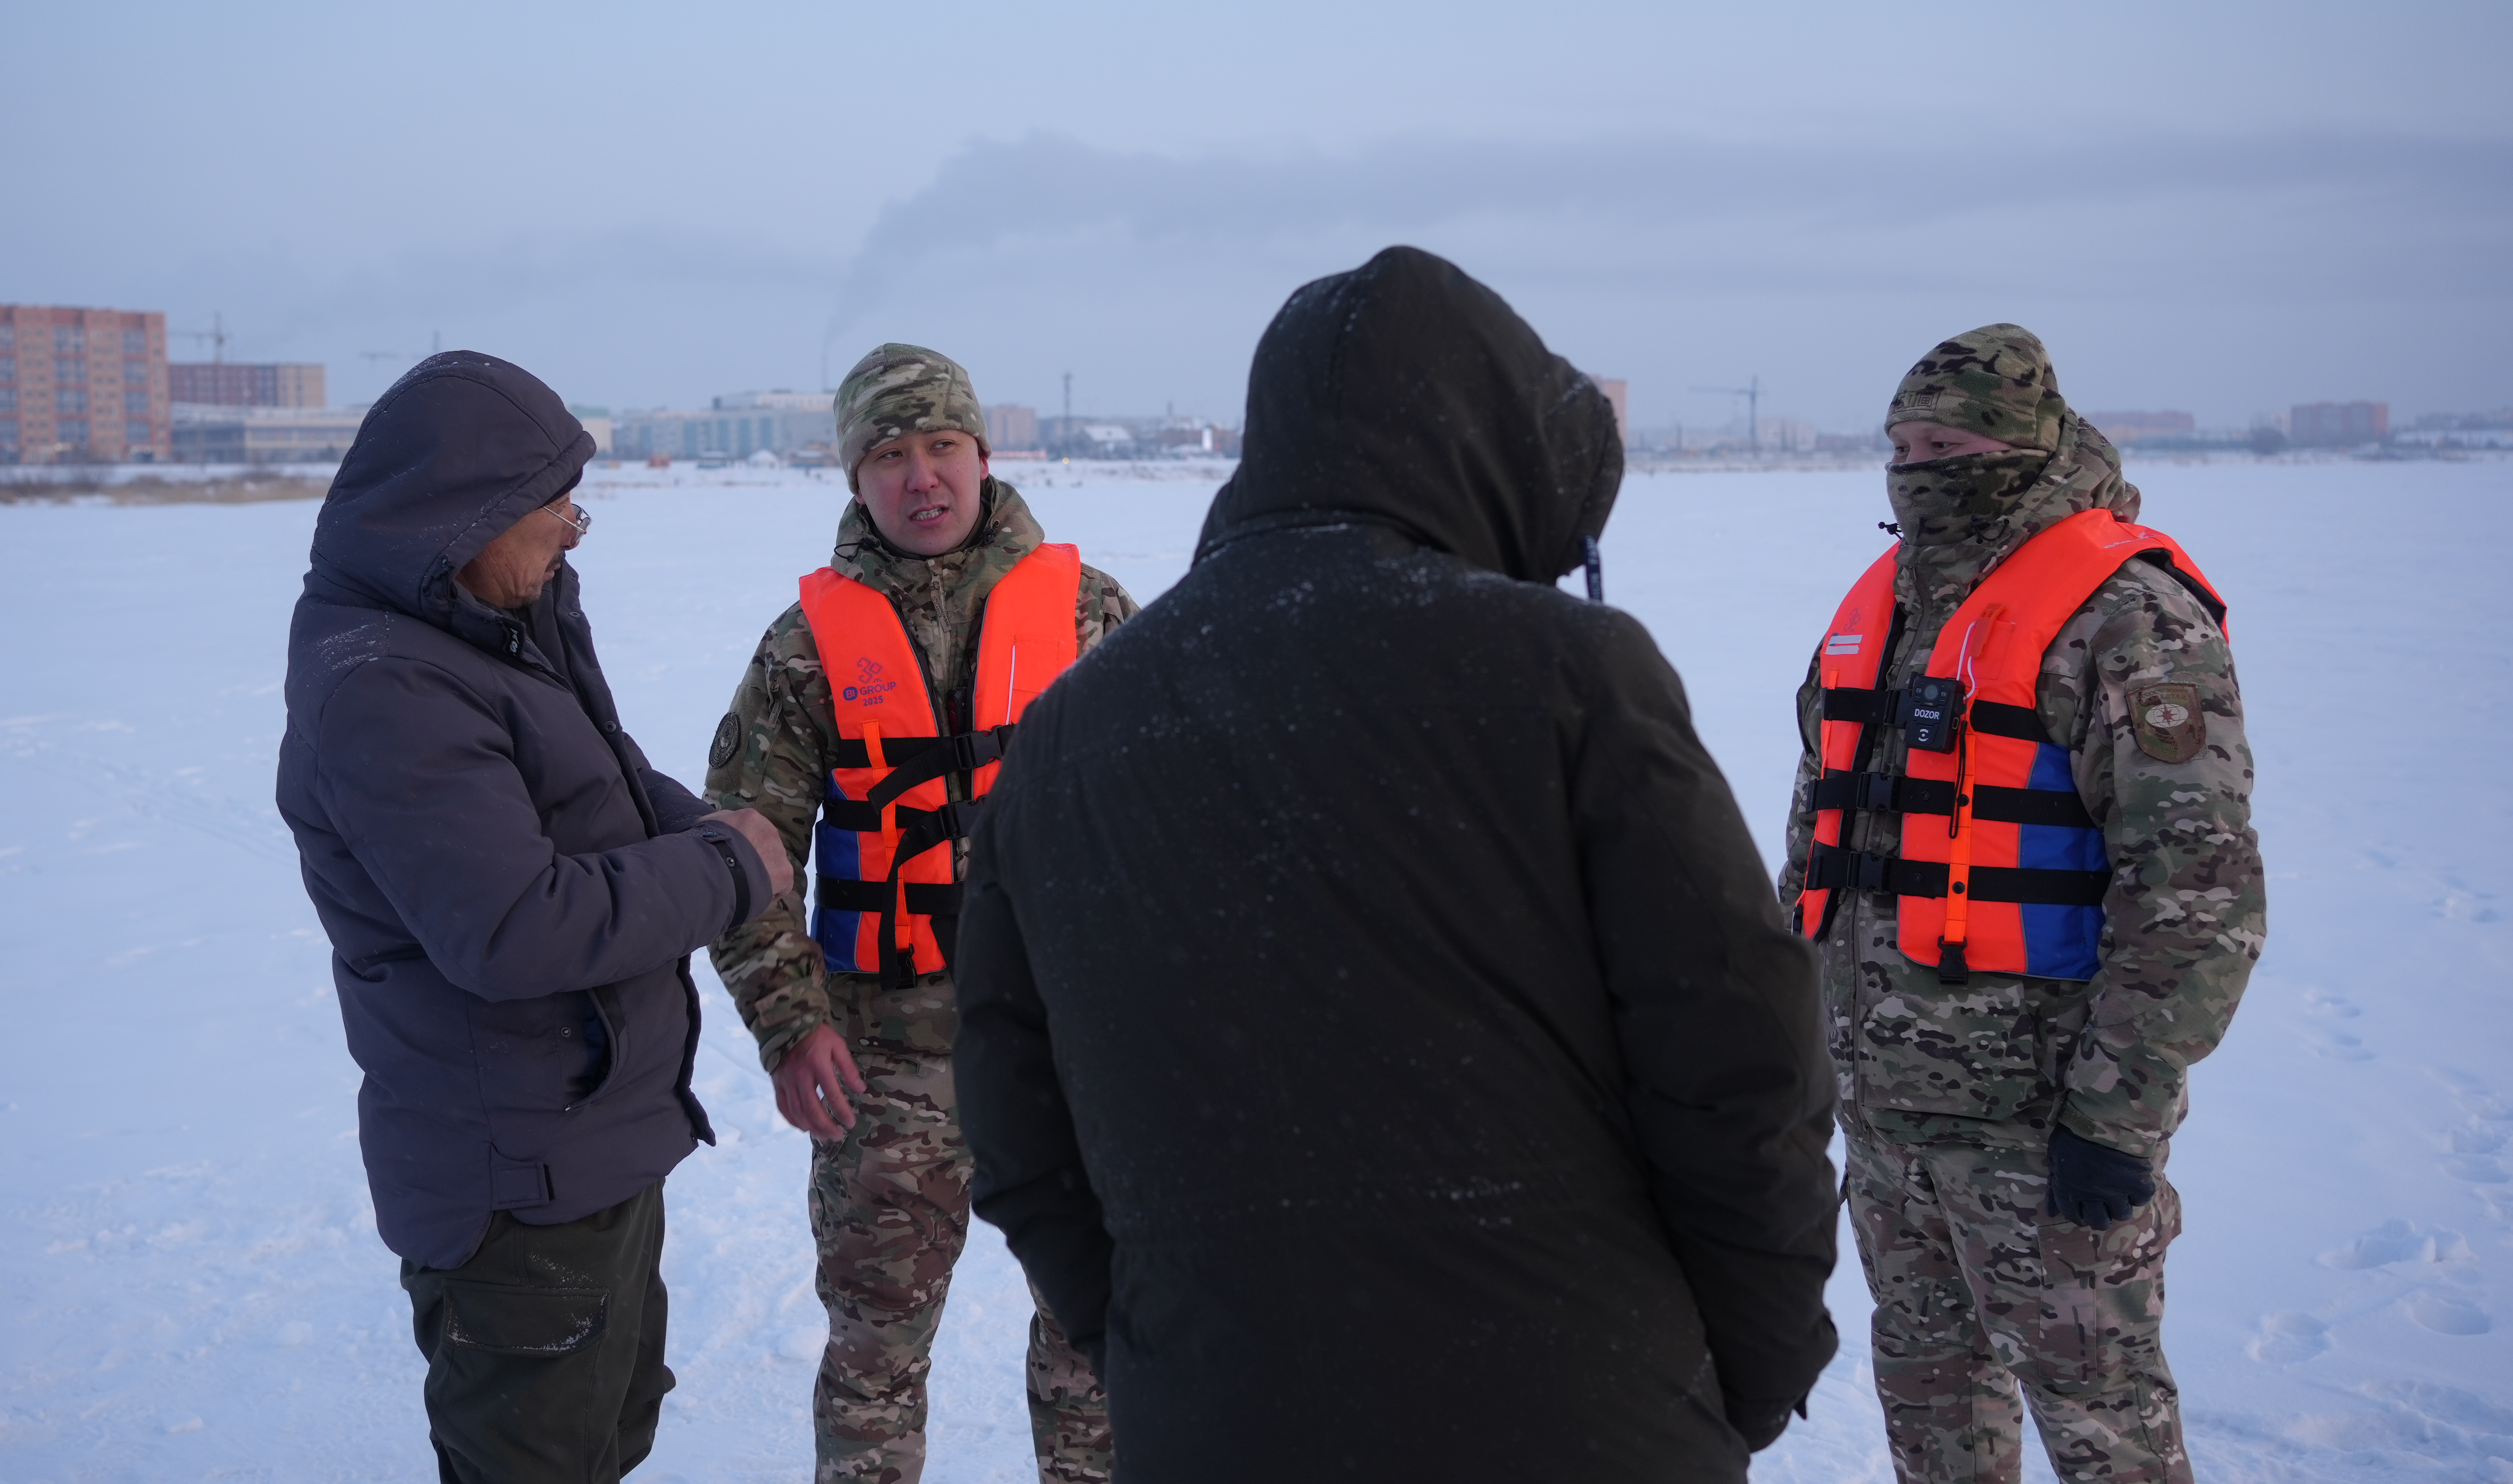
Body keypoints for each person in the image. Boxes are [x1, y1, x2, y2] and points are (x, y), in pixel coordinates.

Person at [952, 246, 1841, 1482]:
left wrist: (1158, 1352)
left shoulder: (1067, 736)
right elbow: (1742, 1063)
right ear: (1489, 452)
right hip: (1583, 1418)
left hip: (1219, 1422)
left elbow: (1015, 1124)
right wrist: (1749, 1364)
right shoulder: (1567, 675)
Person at [277, 351, 793, 1484]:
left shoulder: (490, 620)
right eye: (555, 507)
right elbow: (512, 927)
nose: (573, 532)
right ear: (466, 513)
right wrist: (725, 870)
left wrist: (717, 829)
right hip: (515, 1180)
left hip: (587, 1138)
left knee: (610, 1431)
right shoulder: (388, 689)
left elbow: (603, 787)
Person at [1778, 325, 2265, 1483]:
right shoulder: (1884, 607)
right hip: (1883, 1119)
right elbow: (1816, 850)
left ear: (2025, 444)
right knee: (1932, 1411)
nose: (1917, 469)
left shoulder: (2128, 614)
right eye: (1902, 446)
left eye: (1947, 447)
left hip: (2041, 1128)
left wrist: (2117, 1119)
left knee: (2105, 1425)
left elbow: (2197, 890)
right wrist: (1787, 1042)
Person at [704, 343, 1130, 1484]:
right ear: (856, 477)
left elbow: (1169, 824)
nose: (921, 476)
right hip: (884, 1064)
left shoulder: (1092, 615)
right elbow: (742, 852)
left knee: (1100, 1339)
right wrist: (790, 1023)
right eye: (889, 454)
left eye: (942, 445)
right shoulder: (804, 649)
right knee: (874, 1356)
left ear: (983, 455)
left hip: (1074, 1053)